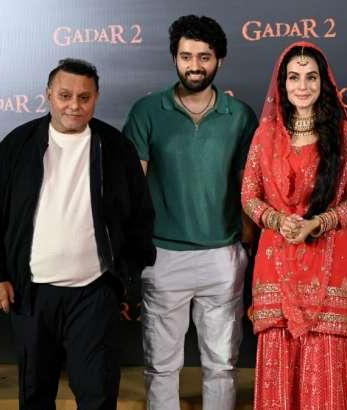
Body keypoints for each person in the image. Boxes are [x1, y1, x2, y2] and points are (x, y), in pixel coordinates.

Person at [0, 58, 155, 409]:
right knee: (36, 395)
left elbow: (140, 218)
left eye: (84, 97)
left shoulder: (116, 148)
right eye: (65, 95)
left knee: (98, 395)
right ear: (48, 95)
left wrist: (124, 277)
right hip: (31, 293)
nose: (74, 105)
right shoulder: (17, 145)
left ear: (96, 98)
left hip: (95, 293)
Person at [122, 15, 258, 410]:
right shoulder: (148, 111)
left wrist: (244, 241)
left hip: (223, 254)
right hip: (163, 255)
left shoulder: (240, 115)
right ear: (174, 58)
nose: (194, 65)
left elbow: (247, 186)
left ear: (220, 60)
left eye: (204, 57)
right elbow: (131, 187)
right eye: (186, 56)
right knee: (161, 364)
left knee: (222, 362)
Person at [241, 41, 347, 409]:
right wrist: (278, 220)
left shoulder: (344, 136)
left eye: (311, 77)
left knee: (324, 365)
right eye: (294, 77)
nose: (302, 86)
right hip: (276, 262)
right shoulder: (266, 136)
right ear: (282, 84)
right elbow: (249, 195)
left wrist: (317, 223)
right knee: (278, 361)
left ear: (323, 83)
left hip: (329, 264)